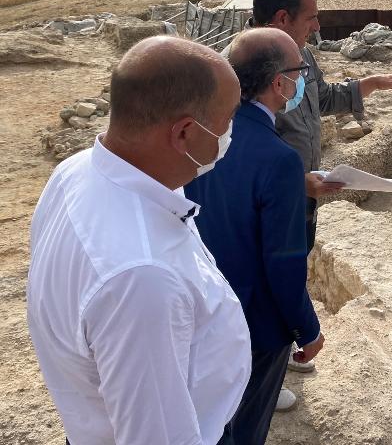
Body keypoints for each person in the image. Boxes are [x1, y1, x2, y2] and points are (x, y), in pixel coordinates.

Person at [27, 36, 250, 445]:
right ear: (185, 133)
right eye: (229, 118)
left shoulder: (75, 171)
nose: (230, 133)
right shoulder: (142, 278)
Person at [247, 0, 392, 377]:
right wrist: (294, 182)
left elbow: (322, 98)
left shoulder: (302, 55)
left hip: (304, 195)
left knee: (292, 269)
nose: (318, 25)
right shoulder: (242, 65)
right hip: (268, 202)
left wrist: (368, 84)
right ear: (283, 17)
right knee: (262, 279)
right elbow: (237, 149)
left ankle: (280, 353)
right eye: (311, 17)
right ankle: (259, 372)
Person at [185, 28, 324, 444]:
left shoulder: (202, 133)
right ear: (279, 83)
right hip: (255, 323)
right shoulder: (279, 159)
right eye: (299, 72)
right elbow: (284, 263)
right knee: (245, 426)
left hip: (201, 307)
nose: (302, 81)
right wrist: (307, 328)